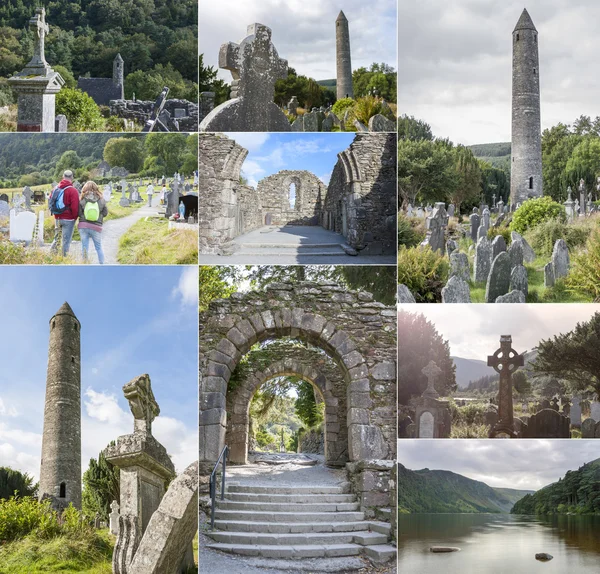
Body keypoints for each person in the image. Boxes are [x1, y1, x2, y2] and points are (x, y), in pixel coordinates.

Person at [49, 170, 79, 257]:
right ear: (72, 177)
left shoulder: (55, 188)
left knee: (57, 238)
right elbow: (75, 207)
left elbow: (51, 202)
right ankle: (64, 258)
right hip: (69, 219)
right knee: (66, 240)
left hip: (57, 218)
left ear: (63, 176)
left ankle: (52, 257)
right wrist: (74, 218)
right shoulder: (73, 190)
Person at [78, 181, 108, 264]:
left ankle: (85, 266)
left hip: (83, 226)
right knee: (98, 247)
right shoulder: (101, 199)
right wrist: (98, 215)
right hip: (96, 226)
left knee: (84, 247)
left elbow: (79, 213)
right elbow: (105, 213)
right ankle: (102, 265)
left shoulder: (82, 199)